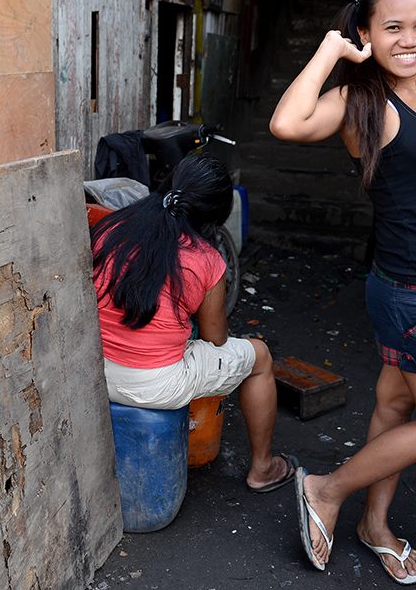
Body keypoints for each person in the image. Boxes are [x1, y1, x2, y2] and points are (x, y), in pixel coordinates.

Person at [269, 0, 416, 584]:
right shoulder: (363, 103)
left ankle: (375, 526)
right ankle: (327, 491)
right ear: (366, 32)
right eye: (393, 27)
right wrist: (332, 50)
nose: (410, 39)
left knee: (394, 406)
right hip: (415, 297)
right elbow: (287, 124)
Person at [91, 153, 296, 493]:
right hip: (155, 386)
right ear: (214, 215)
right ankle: (263, 468)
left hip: (96, 371)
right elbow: (215, 338)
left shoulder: (114, 227)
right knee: (259, 357)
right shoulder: (206, 259)